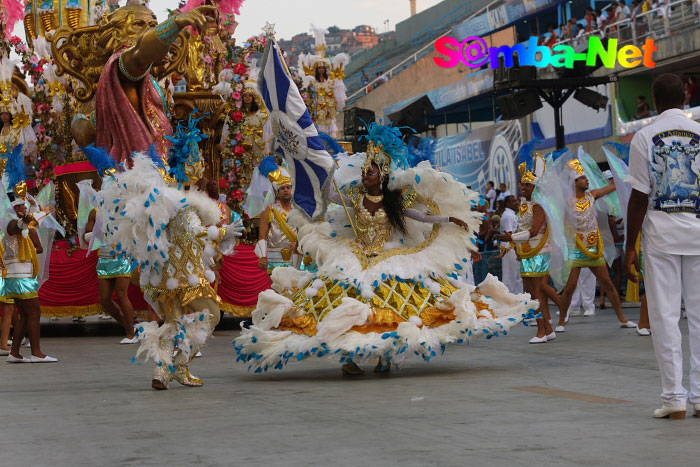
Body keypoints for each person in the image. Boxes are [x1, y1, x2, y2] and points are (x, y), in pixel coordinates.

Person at [233, 122, 536, 375]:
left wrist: (448, 219)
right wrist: (317, 173)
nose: (366, 174)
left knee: (395, 309)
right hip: (355, 259)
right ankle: (349, 358)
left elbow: (420, 215)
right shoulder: (353, 197)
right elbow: (330, 198)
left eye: (372, 171)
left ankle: (384, 355)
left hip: (390, 259)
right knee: (341, 306)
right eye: (365, 170)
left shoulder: (394, 201)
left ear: (383, 174)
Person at [625, 73, 700, 419]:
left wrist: (629, 247)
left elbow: (639, 197)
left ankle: (674, 398)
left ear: (654, 100)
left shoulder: (643, 137)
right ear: (685, 97)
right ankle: (699, 397)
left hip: (661, 238)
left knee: (666, 317)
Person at [72, 3, 218, 165]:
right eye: (138, 24)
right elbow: (142, 50)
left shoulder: (148, 76)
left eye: (153, 25)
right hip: (136, 177)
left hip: (156, 171)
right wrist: (174, 23)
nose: (148, 30)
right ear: (116, 34)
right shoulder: (121, 62)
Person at [555, 154, 636, 330]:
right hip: (577, 248)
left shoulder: (592, 196)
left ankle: (622, 318)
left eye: (586, 177)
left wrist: (621, 174)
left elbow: (613, 187)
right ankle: (561, 321)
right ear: (575, 183)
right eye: (583, 178)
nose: (586, 180)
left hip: (594, 248)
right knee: (569, 288)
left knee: (608, 284)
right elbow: (563, 225)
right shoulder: (568, 202)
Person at [506, 144, 567, 343]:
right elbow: (520, 228)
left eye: (527, 185)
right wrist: (510, 245)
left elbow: (533, 231)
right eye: (522, 184)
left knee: (535, 293)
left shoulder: (539, 205)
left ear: (536, 187)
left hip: (539, 252)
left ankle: (542, 330)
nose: (523, 187)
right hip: (527, 252)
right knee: (532, 292)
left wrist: (511, 239)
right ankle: (548, 328)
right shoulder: (524, 205)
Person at [79, 147, 136, 344]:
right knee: (105, 299)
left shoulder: (125, 207)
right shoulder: (96, 210)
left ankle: (131, 333)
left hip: (121, 252)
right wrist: (91, 235)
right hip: (104, 255)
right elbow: (87, 234)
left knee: (122, 293)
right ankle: (128, 326)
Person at [2, 184, 56, 363]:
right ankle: (37, 353)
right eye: (22, 206)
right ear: (15, 208)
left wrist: (39, 211)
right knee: (35, 312)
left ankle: (15, 353)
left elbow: (30, 223)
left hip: (19, 276)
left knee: (26, 314)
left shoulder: (18, 224)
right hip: (20, 277)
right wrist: (38, 212)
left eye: (25, 207)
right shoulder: (11, 224)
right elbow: (23, 223)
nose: (24, 209)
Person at [255, 163, 299, 272]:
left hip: (296, 254)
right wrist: (262, 256)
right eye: (282, 188)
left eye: (288, 187)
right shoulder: (270, 210)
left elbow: (303, 231)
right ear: (277, 192)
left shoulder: (298, 210)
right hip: (275, 256)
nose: (286, 190)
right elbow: (262, 235)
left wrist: (299, 244)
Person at [496, 195, 524, 295]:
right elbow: (509, 236)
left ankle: (518, 301)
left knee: (517, 277)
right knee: (510, 277)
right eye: (513, 201)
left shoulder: (512, 214)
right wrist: (517, 251)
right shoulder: (508, 215)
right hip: (510, 249)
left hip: (514, 249)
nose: (516, 203)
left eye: (516, 200)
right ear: (508, 204)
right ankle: (508, 300)